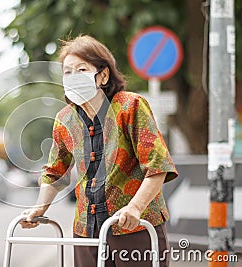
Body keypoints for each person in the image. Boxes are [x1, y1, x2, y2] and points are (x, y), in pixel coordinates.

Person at [20, 35, 178, 267]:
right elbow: (55, 172)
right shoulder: (65, 119)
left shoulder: (130, 106)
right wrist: (39, 208)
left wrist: (135, 208)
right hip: (87, 231)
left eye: (81, 69)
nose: (73, 78)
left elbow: (157, 165)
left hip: (135, 227)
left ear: (103, 75)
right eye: (68, 72)